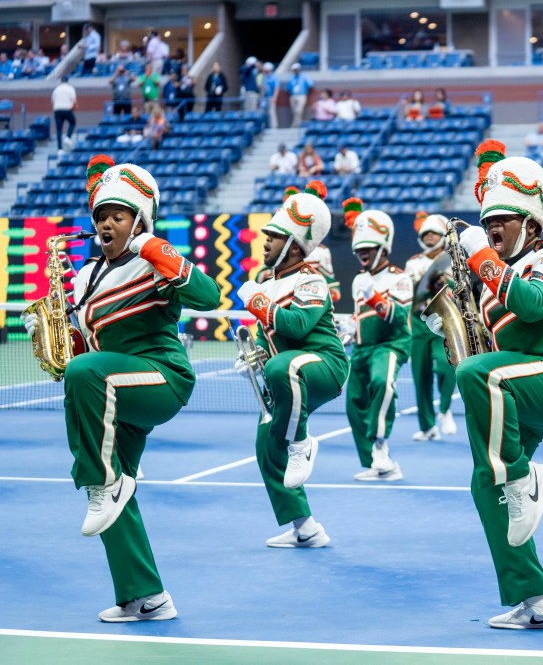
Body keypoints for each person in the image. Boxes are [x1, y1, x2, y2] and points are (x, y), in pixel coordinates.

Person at [21, 155, 219, 621]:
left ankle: (97, 480)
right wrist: (56, 338)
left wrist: (157, 250)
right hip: (116, 387)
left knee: (100, 473)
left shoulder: (153, 262)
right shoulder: (87, 275)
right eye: (101, 216)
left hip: (162, 378)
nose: (108, 223)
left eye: (120, 216)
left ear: (139, 221)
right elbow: (89, 345)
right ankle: (145, 596)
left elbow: (209, 298)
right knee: (113, 492)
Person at [425, 140, 543, 629]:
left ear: (533, 222)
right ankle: (538, 601)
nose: (491, 226)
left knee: (477, 375)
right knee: (486, 483)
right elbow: (486, 343)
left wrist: (481, 257)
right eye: (486, 220)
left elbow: (532, 304)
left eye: (505, 216)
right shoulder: (494, 278)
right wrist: (448, 324)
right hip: (522, 384)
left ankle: (524, 476)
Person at [235, 183, 349, 548]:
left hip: (324, 367)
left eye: (274, 236)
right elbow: (269, 334)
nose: (265, 241)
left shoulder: (312, 279)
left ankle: (301, 442)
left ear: (294, 245)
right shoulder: (268, 282)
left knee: (281, 368)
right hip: (288, 370)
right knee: (266, 444)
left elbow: (296, 325)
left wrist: (256, 300)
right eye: (266, 235)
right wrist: (251, 353)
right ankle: (306, 527)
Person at [345, 197, 412, 481]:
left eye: (369, 247)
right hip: (361, 348)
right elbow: (361, 318)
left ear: (383, 247)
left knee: (381, 383)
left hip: (391, 344)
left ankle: (382, 447)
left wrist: (373, 295)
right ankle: (375, 460)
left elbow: (398, 318)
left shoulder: (400, 278)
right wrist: (349, 328)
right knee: (354, 402)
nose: (363, 252)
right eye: (359, 248)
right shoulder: (358, 279)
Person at [404, 213, 457, 442]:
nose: (429, 238)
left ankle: (445, 408)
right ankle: (427, 426)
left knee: (447, 366)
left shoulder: (453, 259)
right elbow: (407, 294)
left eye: (433, 233)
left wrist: (446, 281)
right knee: (420, 376)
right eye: (425, 234)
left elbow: (460, 289)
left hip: (442, 318)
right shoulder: (412, 262)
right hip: (418, 322)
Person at [51, 76, 77, 151]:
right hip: (67, 109)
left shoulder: (56, 89)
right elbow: (74, 101)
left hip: (57, 110)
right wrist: (73, 108)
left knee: (59, 129)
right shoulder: (70, 88)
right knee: (73, 122)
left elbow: (53, 101)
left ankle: (60, 149)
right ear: (67, 81)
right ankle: (68, 137)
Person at [260, 62, 280, 129]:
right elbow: (263, 88)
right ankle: (265, 126)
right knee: (263, 112)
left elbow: (276, 88)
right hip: (265, 98)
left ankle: (274, 126)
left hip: (271, 96)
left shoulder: (274, 77)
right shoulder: (264, 77)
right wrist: (262, 97)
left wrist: (274, 97)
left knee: (271, 112)